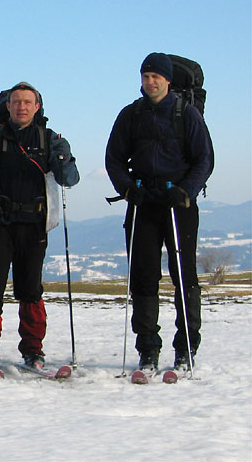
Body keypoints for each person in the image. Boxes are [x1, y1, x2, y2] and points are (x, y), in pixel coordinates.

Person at [0, 82, 79, 374]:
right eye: (16, 102)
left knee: (30, 289)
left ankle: (33, 351)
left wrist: (64, 159)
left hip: (34, 224)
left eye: (27, 102)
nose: (21, 107)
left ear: (37, 107)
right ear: (7, 106)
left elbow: (70, 179)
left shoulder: (49, 139)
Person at [106, 52, 214, 372]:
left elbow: (204, 159)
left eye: (156, 76)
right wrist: (127, 188)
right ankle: (148, 349)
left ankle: (186, 348)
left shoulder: (186, 114)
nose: (150, 82)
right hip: (142, 203)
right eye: (145, 76)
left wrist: (186, 191)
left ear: (167, 79)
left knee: (184, 276)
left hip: (178, 203)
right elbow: (114, 158)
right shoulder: (131, 115)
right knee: (143, 276)